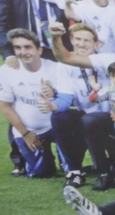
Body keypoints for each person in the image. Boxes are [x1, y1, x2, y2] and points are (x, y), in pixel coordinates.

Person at [0, 28, 86, 180]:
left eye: (28, 47)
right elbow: (5, 107)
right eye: (18, 48)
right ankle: (43, 159)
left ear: (39, 50)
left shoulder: (55, 67)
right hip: (28, 131)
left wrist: (54, 94)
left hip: (56, 128)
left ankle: (65, 157)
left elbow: (68, 98)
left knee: (71, 168)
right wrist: (26, 134)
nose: (23, 52)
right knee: (41, 173)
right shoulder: (6, 71)